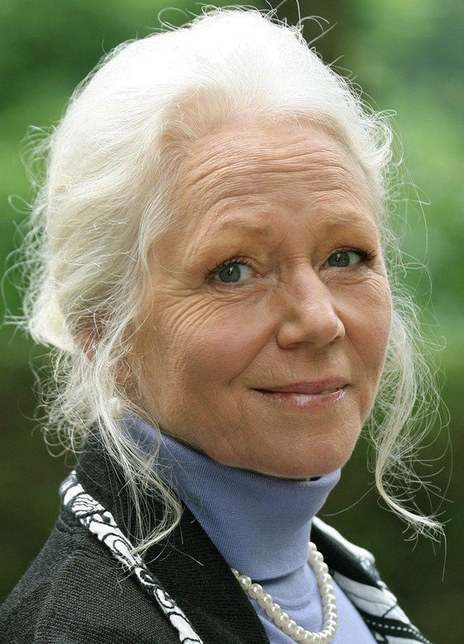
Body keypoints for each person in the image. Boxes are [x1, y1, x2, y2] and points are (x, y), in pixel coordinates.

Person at [0, 8, 440, 643]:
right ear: (103, 329)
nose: (318, 320)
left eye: (345, 257)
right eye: (233, 271)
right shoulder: (81, 629)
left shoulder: (336, 578)